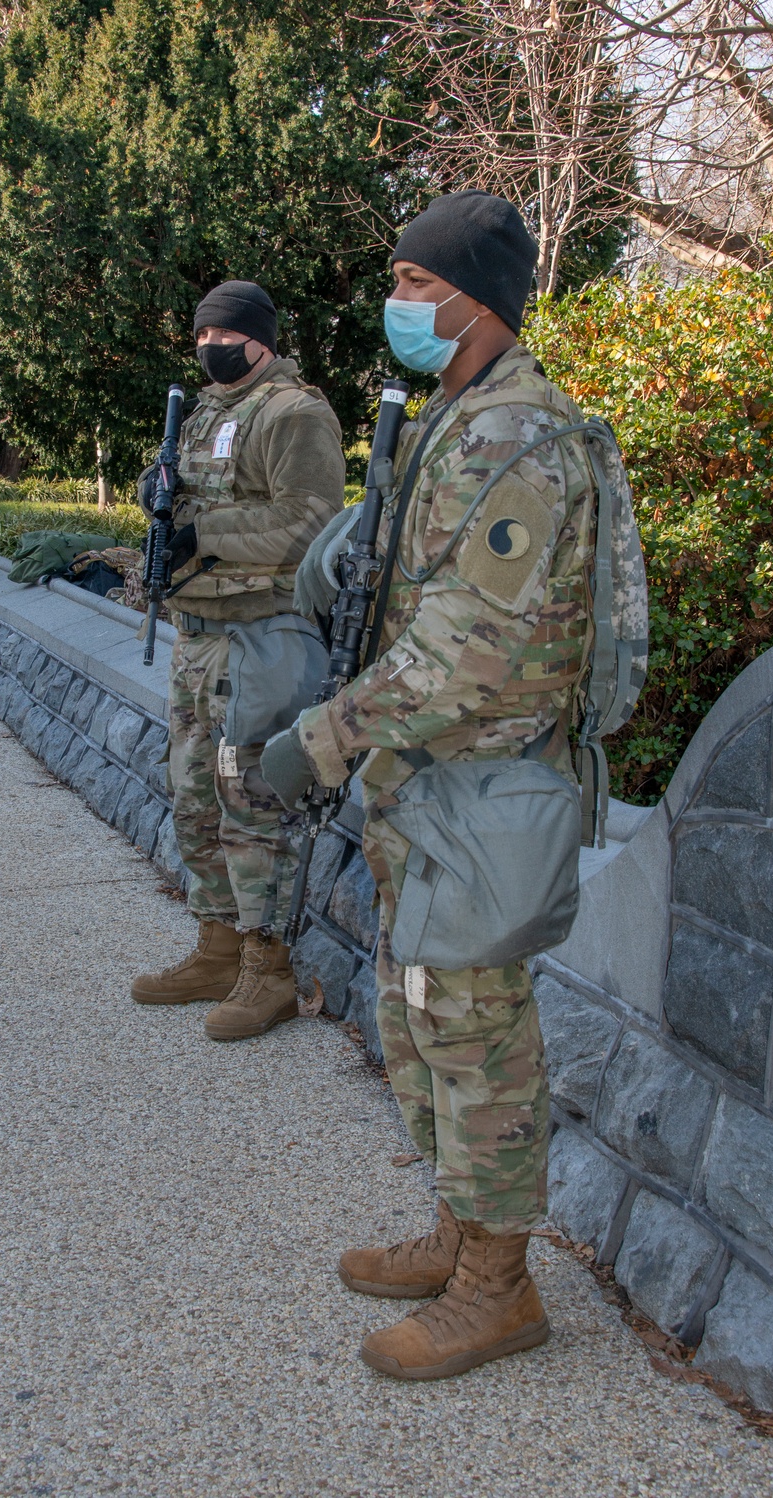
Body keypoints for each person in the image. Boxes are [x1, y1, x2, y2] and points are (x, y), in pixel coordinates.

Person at [261, 192, 599, 1378]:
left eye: (414, 281)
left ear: (475, 299)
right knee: (419, 1016)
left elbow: (467, 652)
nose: (396, 303)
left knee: (473, 1032)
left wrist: (322, 737)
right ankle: (462, 1235)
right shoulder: (456, 416)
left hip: (481, 783)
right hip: (429, 781)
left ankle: (500, 1289)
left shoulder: (514, 434)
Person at [131, 280, 346, 1042]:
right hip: (199, 637)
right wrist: (156, 494)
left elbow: (312, 524)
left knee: (250, 801)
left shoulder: (295, 413)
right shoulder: (204, 412)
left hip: (261, 636)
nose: (208, 349)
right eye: (199, 338)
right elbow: (183, 501)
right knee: (193, 799)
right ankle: (218, 949)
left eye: (221, 336)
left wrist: (206, 533)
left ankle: (269, 970)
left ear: (258, 338)